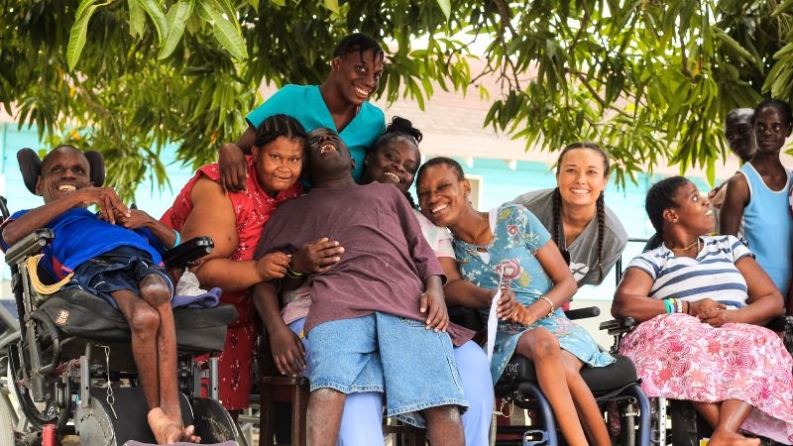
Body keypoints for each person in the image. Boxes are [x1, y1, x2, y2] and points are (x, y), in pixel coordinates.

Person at [257, 117, 496, 445]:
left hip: (405, 310)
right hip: (338, 307)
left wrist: (435, 289)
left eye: (332, 138)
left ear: (352, 160)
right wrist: (276, 329)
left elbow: (421, 252)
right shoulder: (292, 212)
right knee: (331, 387)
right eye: (314, 142)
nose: (325, 140)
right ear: (305, 168)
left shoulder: (385, 196)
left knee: (442, 401)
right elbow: (263, 278)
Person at [0, 145, 198, 444]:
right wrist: (79, 197)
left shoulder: (111, 219)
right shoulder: (32, 218)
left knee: (156, 292)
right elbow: (9, 237)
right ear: (39, 184)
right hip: (93, 264)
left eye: (79, 171)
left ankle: (170, 416)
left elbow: (184, 249)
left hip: (141, 258)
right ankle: (162, 419)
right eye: (58, 170)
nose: (69, 173)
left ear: (92, 182)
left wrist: (146, 222)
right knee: (143, 317)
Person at [416, 157, 616, 446]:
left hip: (554, 322)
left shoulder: (515, 218)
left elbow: (567, 282)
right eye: (424, 193)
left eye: (443, 186)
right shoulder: (448, 248)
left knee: (564, 364)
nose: (434, 197)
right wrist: (494, 299)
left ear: (464, 187)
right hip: (505, 335)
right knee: (545, 344)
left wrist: (532, 313)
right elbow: (452, 287)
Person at [160, 114, 341, 413]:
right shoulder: (224, 183)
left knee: (224, 415)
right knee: (186, 412)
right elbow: (199, 270)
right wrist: (258, 270)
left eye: (294, 159)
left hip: (242, 315)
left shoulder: (294, 193)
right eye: (275, 157)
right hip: (190, 309)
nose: (285, 168)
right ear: (255, 154)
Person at [612, 176, 793, 446]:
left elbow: (772, 299)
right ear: (672, 215)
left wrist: (732, 316)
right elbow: (624, 303)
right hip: (685, 339)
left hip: (734, 333)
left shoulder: (728, 247)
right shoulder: (653, 259)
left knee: (762, 339)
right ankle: (727, 433)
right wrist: (686, 308)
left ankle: (724, 432)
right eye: (695, 198)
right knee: (681, 331)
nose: (707, 200)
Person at [219, 33, 386, 190]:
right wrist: (228, 149)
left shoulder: (374, 121)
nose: (371, 82)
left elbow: (376, 177)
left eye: (377, 75)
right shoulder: (292, 98)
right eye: (361, 69)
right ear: (337, 63)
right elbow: (243, 149)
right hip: (286, 213)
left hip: (344, 215)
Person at [508, 142, 627, 293]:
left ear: (604, 181)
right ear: (558, 176)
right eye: (571, 170)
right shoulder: (523, 210)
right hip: (503, 299)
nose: (580, 180)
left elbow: (574, 287)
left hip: (555, 307)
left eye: (591, 172)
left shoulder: (614, 238)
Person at [720, 99, 793, 297]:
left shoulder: (792, 182)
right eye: (761, 126)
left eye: (775, 126)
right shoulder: (741, 183)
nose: (767, 132)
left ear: (787, 130)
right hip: (754, 298)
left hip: (788, 298)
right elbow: (725, 248)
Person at [708, 108, 756, 234]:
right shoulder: (724, 187)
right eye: (729, 136)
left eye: (742, 130)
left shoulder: (787, 181)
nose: (735, 138)